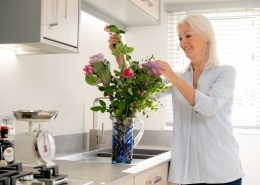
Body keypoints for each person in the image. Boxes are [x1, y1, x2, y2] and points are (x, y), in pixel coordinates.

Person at [108, 13, 244, 185]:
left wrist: (173, 77)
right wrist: (120, 58)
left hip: (222, 170)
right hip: (189, 173)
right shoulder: (177, 77)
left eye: (188, 36)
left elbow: (209, 107)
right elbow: (140, 92)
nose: (182, 43)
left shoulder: (225, 72)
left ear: (206, 37)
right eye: (180, 38)